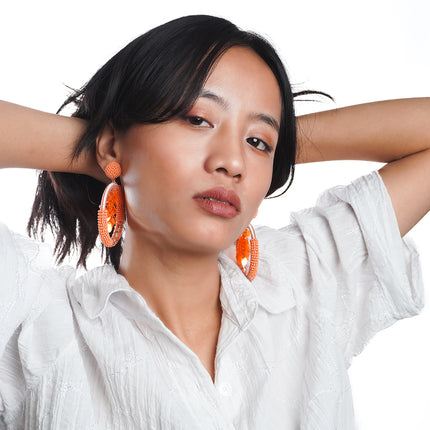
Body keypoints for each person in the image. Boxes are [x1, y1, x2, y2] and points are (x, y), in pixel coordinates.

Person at [0, 14, 427, 429]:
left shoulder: (307, 287)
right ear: (113, 144)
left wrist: (277, 154)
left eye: (258, 142)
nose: (233, 163)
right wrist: (101, 148)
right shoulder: (34, 324)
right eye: (197, 119)